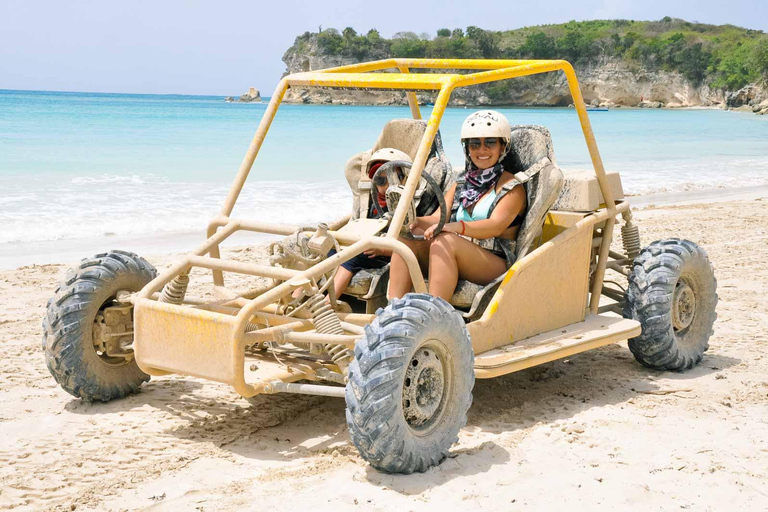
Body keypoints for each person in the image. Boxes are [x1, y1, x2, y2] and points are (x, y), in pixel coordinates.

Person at [388, 110, 526, 301]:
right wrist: (412, 219)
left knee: (444, 240)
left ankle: (434, 313)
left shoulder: (512, 187)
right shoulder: (461, 184)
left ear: (503, 147)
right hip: (456, 252)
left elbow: (495, 226)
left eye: (490, 142)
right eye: (475, 144)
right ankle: (392, 308)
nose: (482, 150)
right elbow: (438, 218)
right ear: (467, 149)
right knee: (408, 236)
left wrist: (453, 227)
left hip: (495, 261)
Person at [331, 148, 412, 297]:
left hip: (386, 253)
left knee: (353, 256)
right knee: (329, 251)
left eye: (393, 178)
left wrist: (381, 250)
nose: (386, 185)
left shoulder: (409, 207)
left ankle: (328, 303)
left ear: (404, 178)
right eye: (380, 180)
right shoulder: (372, 202)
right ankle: (299, 298)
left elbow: (410, 244)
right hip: (365, 246)